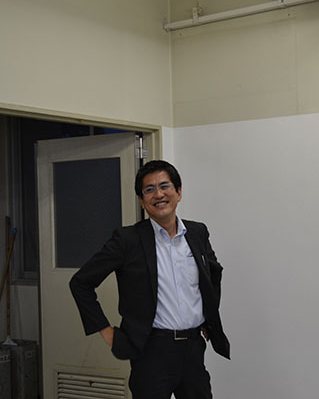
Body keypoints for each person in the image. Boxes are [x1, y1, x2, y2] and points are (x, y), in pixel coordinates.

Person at [70, 160, 229, 399]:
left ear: (178, 192)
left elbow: (213, 273)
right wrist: (106, 331)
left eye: (164, 186)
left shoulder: (197, 233)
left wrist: (208, 315)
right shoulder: (127, 240)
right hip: (151, 352)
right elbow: (81, 283)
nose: (159, 194)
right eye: (149, 189)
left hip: (193, 348)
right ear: (142, 200)